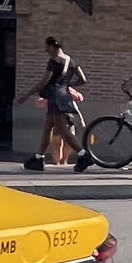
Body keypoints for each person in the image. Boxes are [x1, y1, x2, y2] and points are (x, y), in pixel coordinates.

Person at [29, 36, 87, 171]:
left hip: (55, 98)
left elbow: (44, 81)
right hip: (64, 97)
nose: (46, 50)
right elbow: (83, 80)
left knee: (63, 131)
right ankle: (39, 158)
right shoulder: (71, 61)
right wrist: (67, 85)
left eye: (47, 48)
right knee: (47, 129)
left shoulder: (54, 61)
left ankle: (84, 155)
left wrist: (26, 95)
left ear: (52, 47)